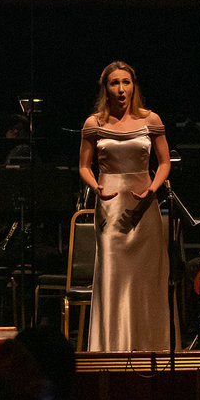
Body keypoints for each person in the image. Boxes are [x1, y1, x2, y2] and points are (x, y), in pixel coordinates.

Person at [77, 60, 173, 352]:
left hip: (144, 206)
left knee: (146, 279)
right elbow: (83, 166)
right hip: (110, 205)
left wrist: (152, 189)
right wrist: (96, 188)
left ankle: (150, 347)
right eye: (114, 83)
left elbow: (165, 162)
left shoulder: (151, 120)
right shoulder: (94, 123)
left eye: (126, 82)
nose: (121, 88)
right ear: (105, 89)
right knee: (113, 276)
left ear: (134, 86)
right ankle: (112, 348)